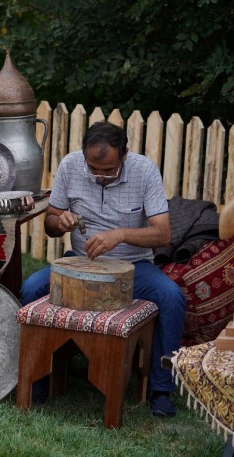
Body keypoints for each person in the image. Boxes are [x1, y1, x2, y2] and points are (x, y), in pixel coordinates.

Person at [20, 121, 186, 418]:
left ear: (125, 154)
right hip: (78, 263)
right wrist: (60, 222)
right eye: (93, 168)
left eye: (108, 170)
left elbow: (163, 234)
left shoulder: (145, 171)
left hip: (132, 267)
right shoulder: (71, 165)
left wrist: (120, 235)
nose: (99, 176)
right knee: (32, 287)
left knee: (172, 296)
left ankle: (161, 390)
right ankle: (37, 379)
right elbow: (50, 223)